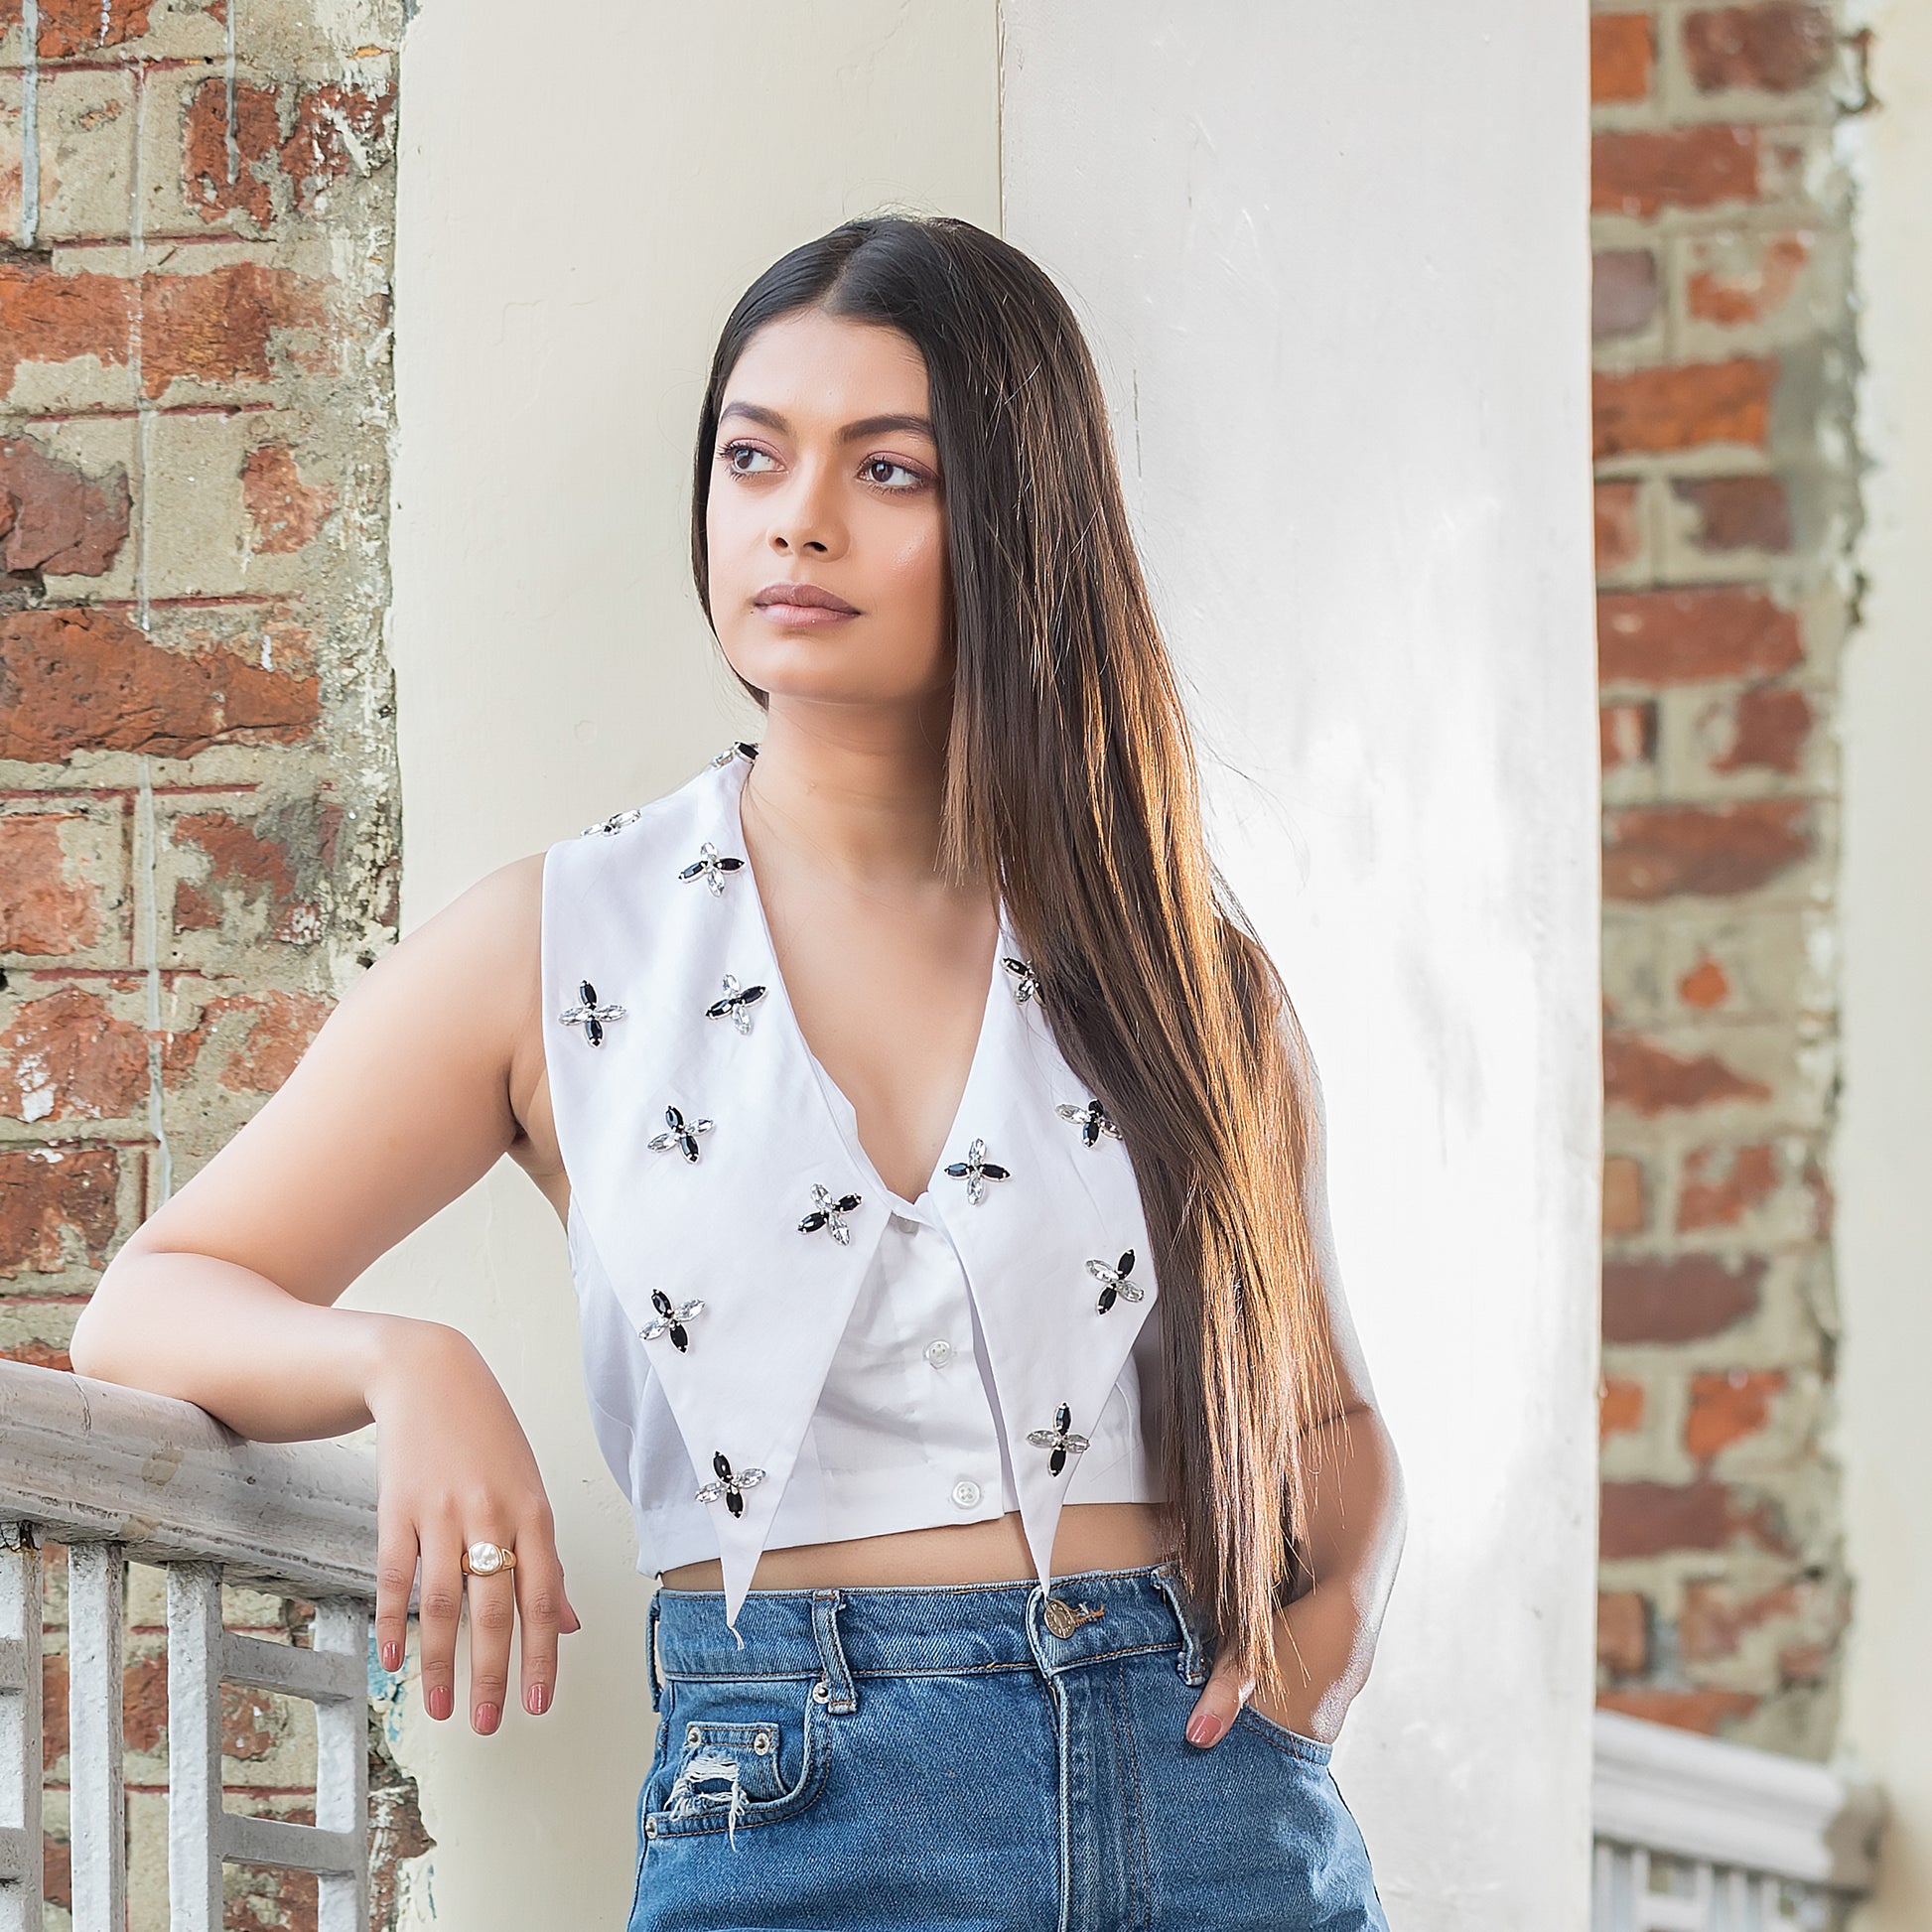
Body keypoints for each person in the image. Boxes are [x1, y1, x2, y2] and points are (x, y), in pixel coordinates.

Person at [69, 211, 1406, 1929]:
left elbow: (1323, 1417)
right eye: (753, 456)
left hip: (1211, 1810)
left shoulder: (1184, 973)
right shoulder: (563, 940)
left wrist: (1320, 1648)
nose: (799, 517)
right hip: (796, 1796)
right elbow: (148, 1301)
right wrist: (402, 1363)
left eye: (889, 469)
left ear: (1020, 519)